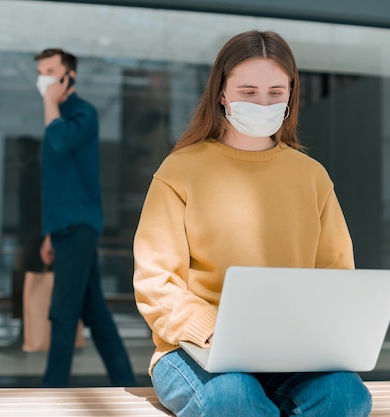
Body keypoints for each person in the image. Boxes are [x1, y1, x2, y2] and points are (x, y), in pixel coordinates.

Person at [132, 31, 372, 416]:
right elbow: (155, 280)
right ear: (222, 94)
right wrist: (210, 327)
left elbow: (335, 274)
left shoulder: (312, 177)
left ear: (291, 97)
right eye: (248, 91)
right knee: (235, 399)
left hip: (290, 352)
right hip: (195, 350)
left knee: (347, 396)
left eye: (275, 92)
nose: (263, 102)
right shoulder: (179, 171)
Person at [34, 48, 136, 388]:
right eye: (41, 72)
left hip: (79, 226)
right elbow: (56, 182)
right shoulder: (57, 117)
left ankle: (52, 390)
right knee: (95, 314)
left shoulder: (83, 114)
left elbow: (61, 142)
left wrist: (50, 102)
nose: (44, 79)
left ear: (69, 76)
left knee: (63, 312)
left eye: (50, 71)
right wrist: (49, 232)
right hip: (65, 227)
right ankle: (128, 382)